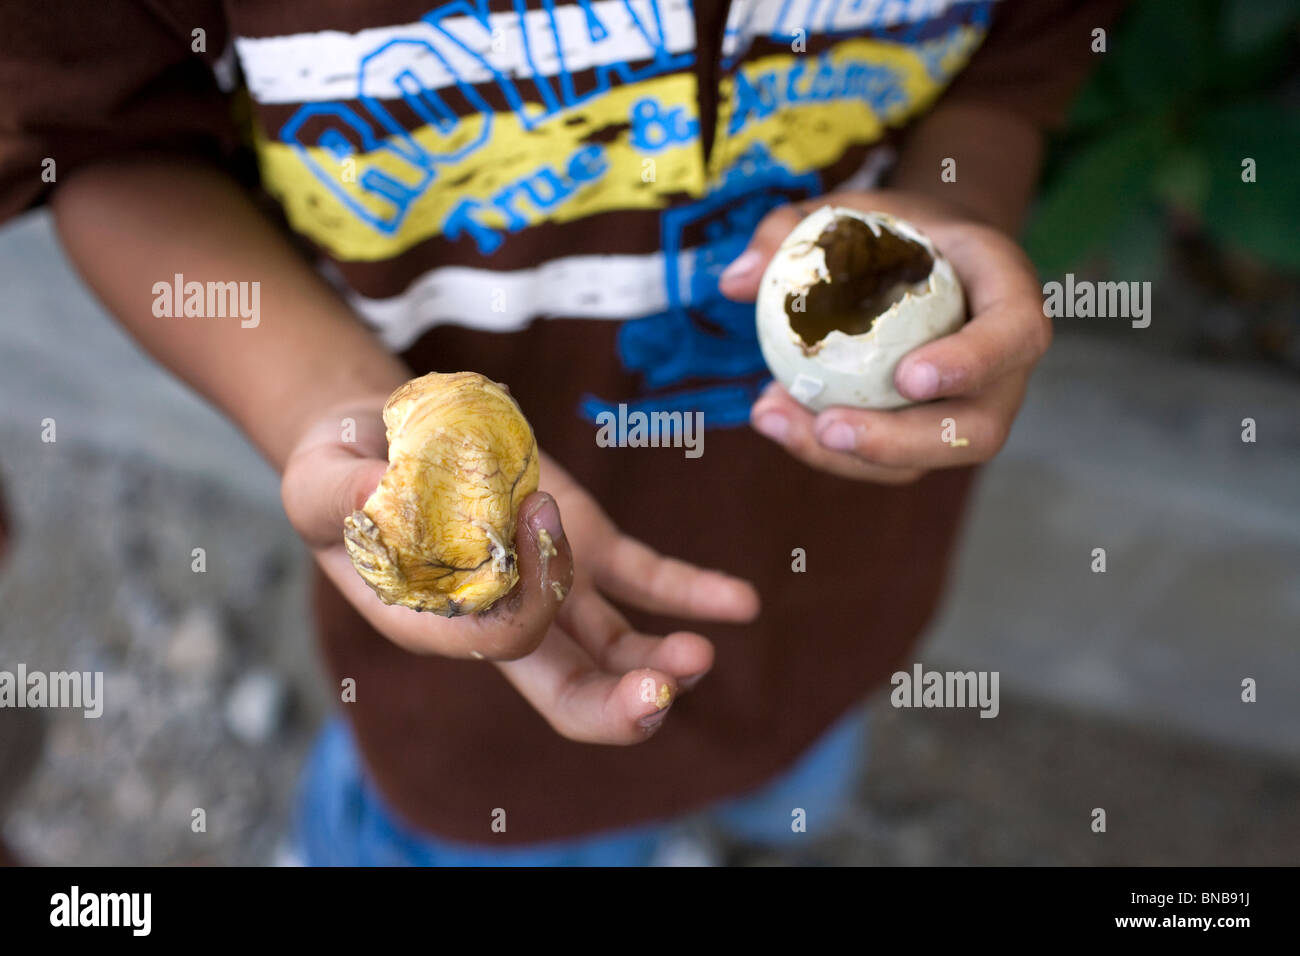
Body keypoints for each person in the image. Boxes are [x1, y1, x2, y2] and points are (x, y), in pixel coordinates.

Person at [0, 0, 1125, 865]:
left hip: (828, 564)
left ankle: (697, 815)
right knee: (474, 832)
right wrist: (316, 403)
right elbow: (104, 136)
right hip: (475, 688)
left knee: (776, 752)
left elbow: (1021, 56)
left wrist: (954, 200)